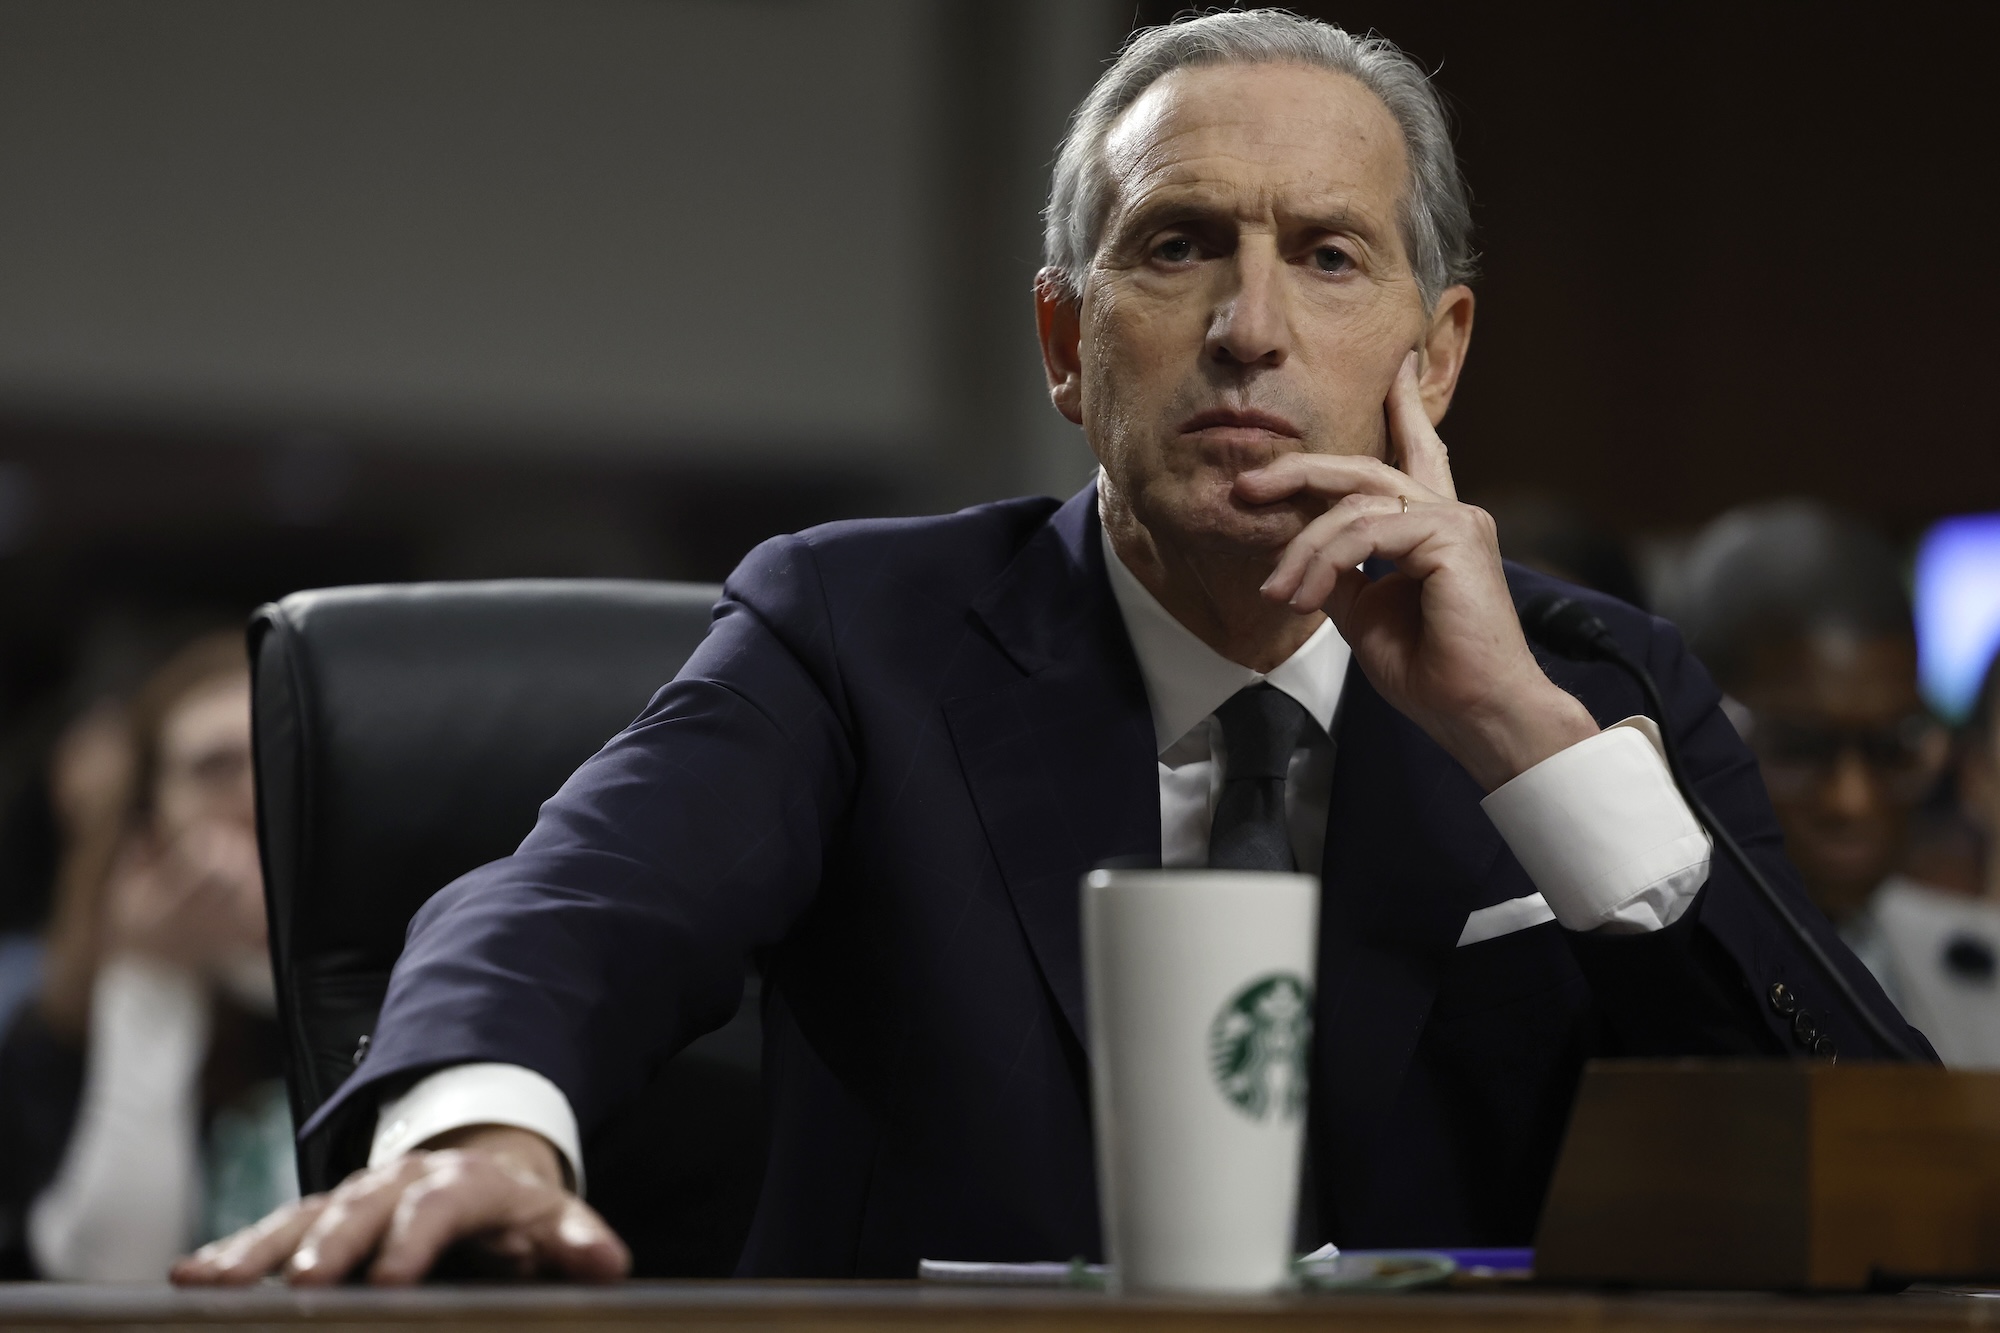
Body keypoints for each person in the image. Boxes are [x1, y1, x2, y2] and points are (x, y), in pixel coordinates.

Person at [176, 10, 1924, 1288]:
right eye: (1179, 249)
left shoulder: (1592, 686)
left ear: (1437, 354)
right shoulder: (859, 634)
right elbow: (575, 902)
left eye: (1325, 257)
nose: (1249, 331)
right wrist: (482, 1125)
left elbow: (1887, 1178)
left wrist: (1520, 744)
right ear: (1066, 342)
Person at [0, 634, 294, 1278]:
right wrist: (152, 980)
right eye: (216, 768)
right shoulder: (57, 1025)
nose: (257, 793)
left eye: (283, 754)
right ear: (150, 819)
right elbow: (110, 1276)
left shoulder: (425, 958)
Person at [1676, 501, 2000, 1066]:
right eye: (1800, 749)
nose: (1852, 800)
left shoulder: (1981, 959)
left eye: (1892, 747)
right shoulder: (1632, 972)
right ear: (1694, 732)